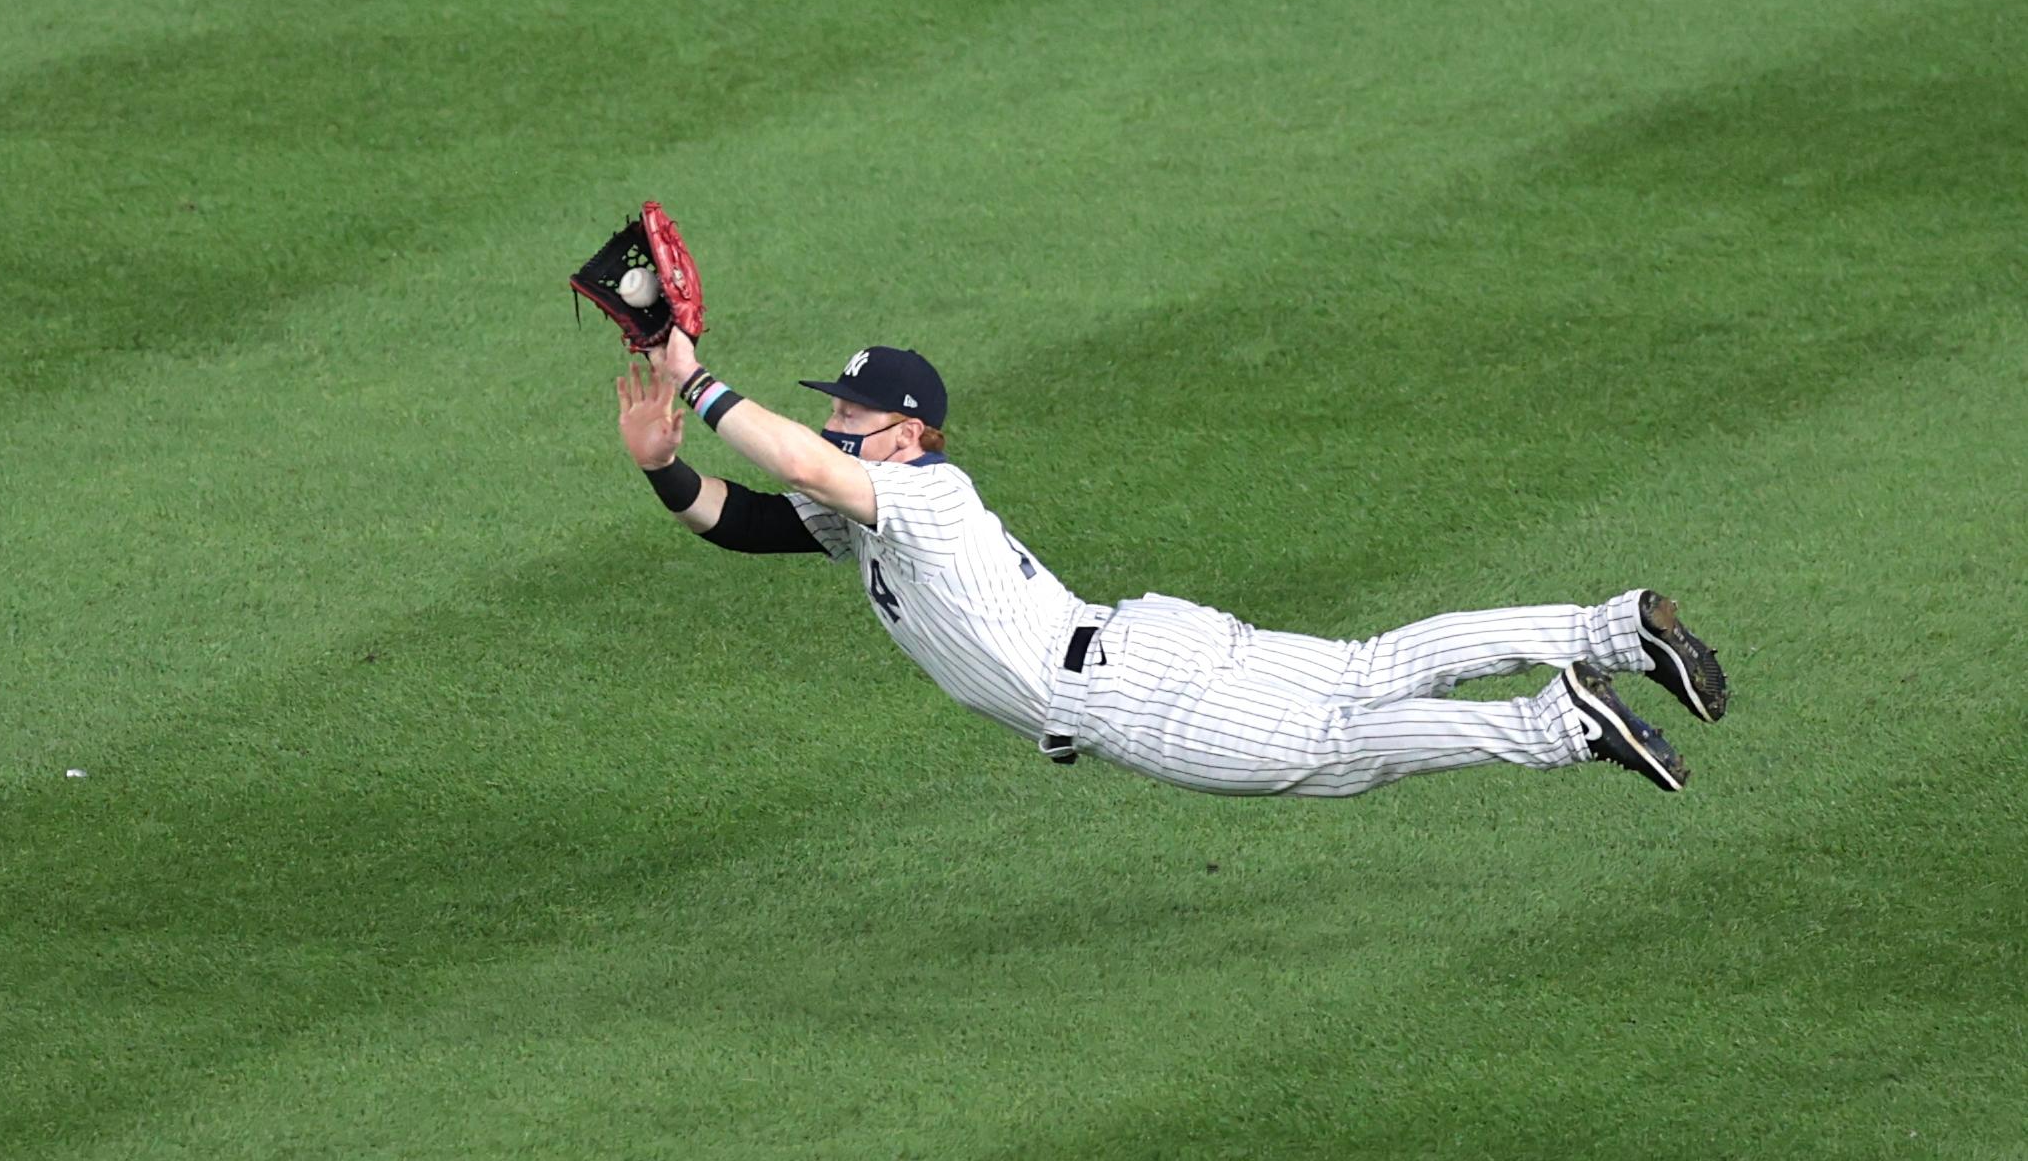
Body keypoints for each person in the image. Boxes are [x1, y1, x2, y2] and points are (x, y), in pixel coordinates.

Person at [615, 329, 1726, 797]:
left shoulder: (920, 496)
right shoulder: (860, 515)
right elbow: (752, 519)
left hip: (1111, 689)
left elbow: (798, 462)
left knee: (1334, 751)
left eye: (854, 408)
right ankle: (1613, 628)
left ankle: (1560, 722)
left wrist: (699, 377)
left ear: (906, 434)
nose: (837, 419)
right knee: (1361, 668)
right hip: (1147, 638)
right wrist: (664, 466)